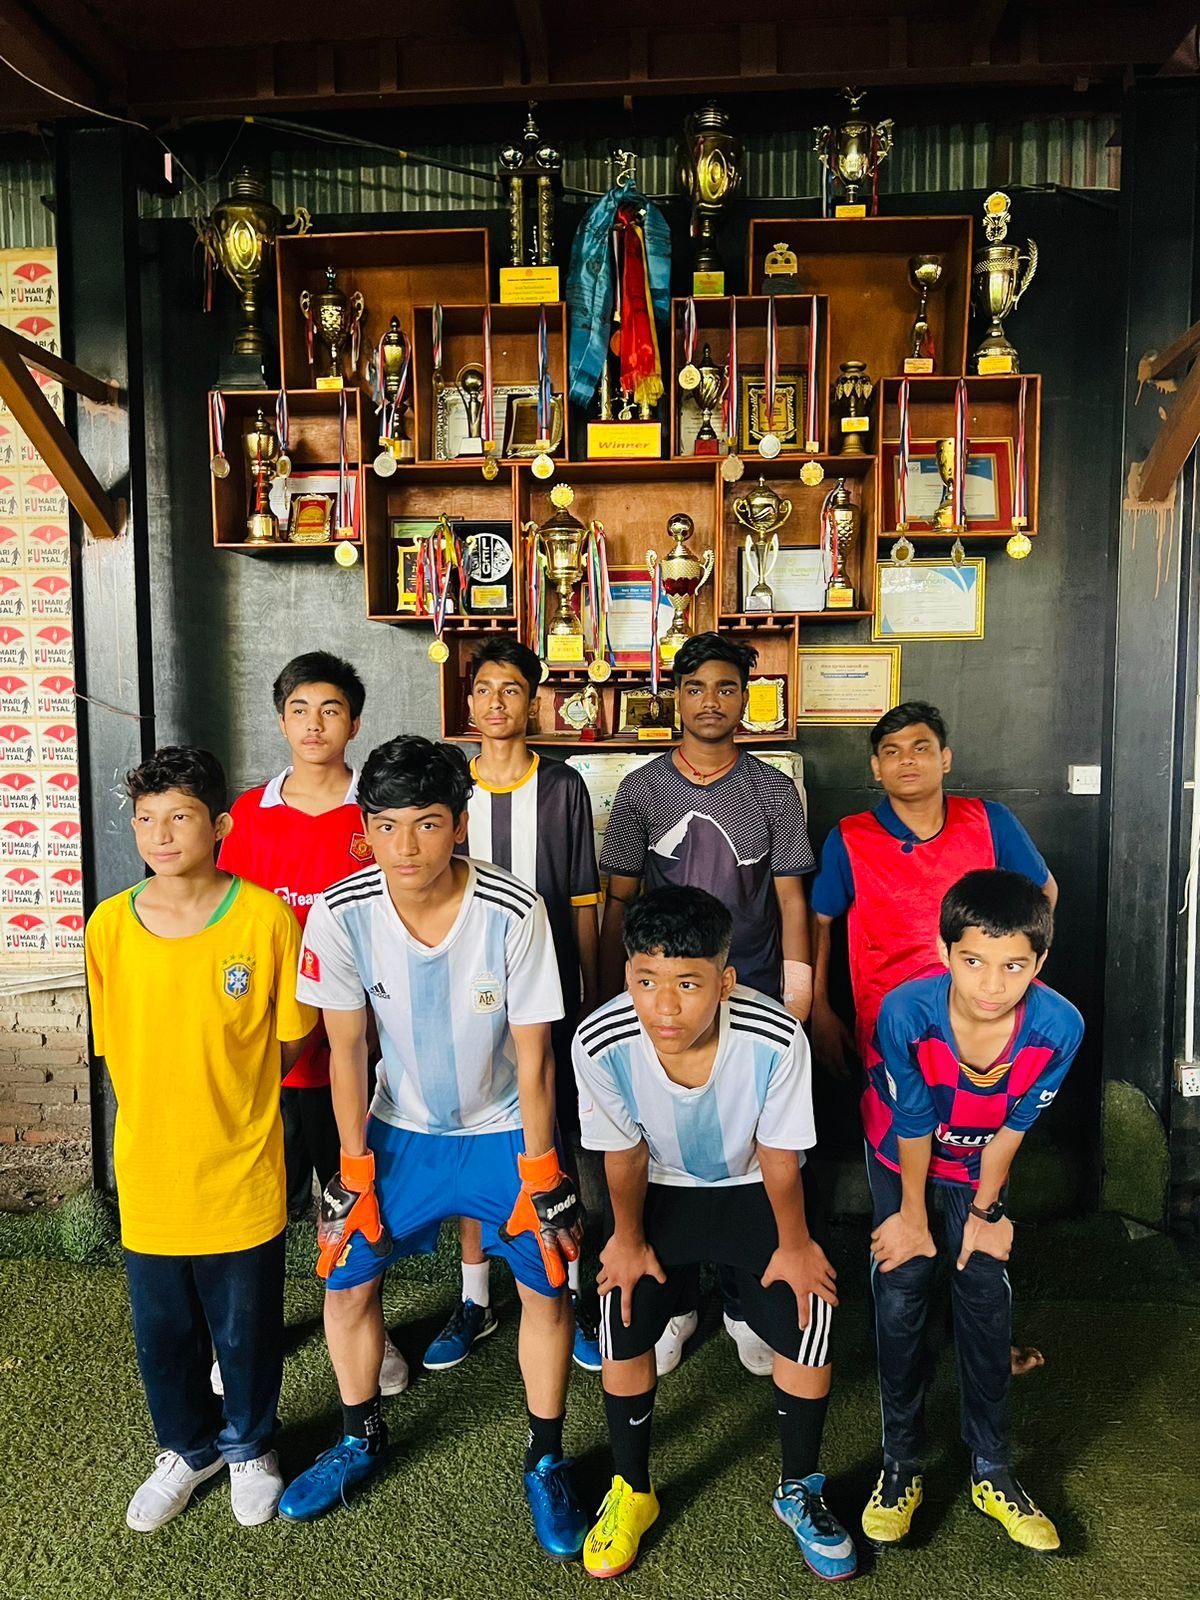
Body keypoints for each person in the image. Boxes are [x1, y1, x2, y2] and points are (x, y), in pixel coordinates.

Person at [277, 736, 589, 1561]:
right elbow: (347, 1049)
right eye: (385, 826)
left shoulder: (515, 910)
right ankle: (358, 1436)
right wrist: (353, 1167)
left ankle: (546, 1458)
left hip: (502, 1133)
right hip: (398, 1132)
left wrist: (543, 1171)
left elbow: (535, 1058)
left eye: (425, 824)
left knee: (548, 1289)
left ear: (459, 825)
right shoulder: (340, 912)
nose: (404, 847)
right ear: (364, 830)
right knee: (345, 1285)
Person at [574, 886, 855, 1582]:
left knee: (807, 1310)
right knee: (620, 1309)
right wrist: (627, 1240)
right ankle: (632, 1489)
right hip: (660, 1188)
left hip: (752, 1185)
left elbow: (779, 1155)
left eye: (688, 984)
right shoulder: (599, 1041)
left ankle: (800, 1487)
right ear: (628, 974)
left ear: (725, 982)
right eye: (646, 981)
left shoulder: (775, 1037)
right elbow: (623, 1155)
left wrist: (795, 1246)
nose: (664, 1007)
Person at [84, 747, 316, 1532]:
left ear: (219, 826)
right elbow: (117, 1044)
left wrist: (237, 1098)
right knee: (163, 1333)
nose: (160, 834)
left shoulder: (264, 918)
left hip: (241, 1166)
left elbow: (291, 1035)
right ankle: (187, 1449)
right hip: (151, 1169)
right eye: (146, 819)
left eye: (179, 816)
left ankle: (250, 1447)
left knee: (245, 1327)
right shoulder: (109, 926)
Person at [598, 632, 815, 1377]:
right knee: (666, 1154)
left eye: (726, 688)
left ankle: (743, 1303)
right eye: (695, 688)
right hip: (666, 1005)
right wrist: (614, 987)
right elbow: (619, 897)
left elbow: (792, 898)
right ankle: (678, 1304)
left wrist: (798, 989)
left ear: (745, 699)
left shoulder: (772, 790)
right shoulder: (642, 789)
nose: (710, 702)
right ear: (676, 697)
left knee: (752, 1153)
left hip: (749, 995)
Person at [861, 869, 1083, 1553]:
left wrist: (985, 1213)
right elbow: (913, 1119)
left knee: (984, 1290)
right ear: (944, 951)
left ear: (1039, 962)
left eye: (1014, 965)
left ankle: (992, 1468)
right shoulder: (906, 1011)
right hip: (903, 1157)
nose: (992, 984)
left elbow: (1014, 1129)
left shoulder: (1059, 1025)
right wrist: (912, 1217)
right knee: (902, 1288)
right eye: (974, 962)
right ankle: (901, 1463)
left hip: (980, 1163)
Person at [217, 650, 408, 1398]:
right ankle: (252, 1335)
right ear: (281, 721)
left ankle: (370, 1329)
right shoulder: (247, 816)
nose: (315, 724)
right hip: (269, 1050)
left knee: (357, 1195)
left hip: (359, 1049)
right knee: (261, 1205)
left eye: (331, 710)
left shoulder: (377, 813)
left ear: (354, 723)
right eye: (300, 710)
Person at [422, 635, 602, 1376]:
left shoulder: (562, 786)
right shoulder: (446, 786)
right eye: (484, 689)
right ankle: (475, 1298)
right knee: (473, 1130)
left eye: (512, 690)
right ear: (468, 701)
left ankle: (573, 1288)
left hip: (546, 993)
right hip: (463, 995)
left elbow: (585, 899)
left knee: (554, 1134)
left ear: (534, 702)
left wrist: (590, 991)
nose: (496, 703)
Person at [809, 700, 1056, 1076]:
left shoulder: (990, 822)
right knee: (895, 1109)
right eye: (892, 752)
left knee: (982, 1107)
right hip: (888, 1020)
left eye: (920, 748)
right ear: (876, 768)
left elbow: (1044, 893)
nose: (907, 760)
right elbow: (821, 922)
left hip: (988, 1014)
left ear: (945, 759)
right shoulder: (850, 837)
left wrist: (1017, 966)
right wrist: (820, 1009)